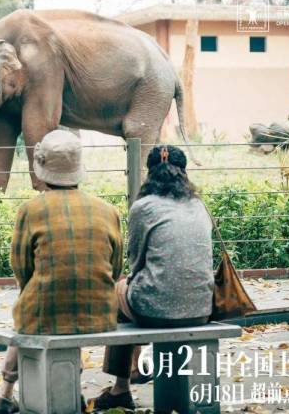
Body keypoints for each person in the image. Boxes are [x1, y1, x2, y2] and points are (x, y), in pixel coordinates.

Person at [0, 130, 124, 414]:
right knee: (66, 305)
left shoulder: (30, 209)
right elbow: (116, 268)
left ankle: (5, 392)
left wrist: (36, 287)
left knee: (34, 308)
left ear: (42, 170)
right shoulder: (107, 210)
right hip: (100, 312)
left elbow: (21, 268)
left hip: (44, 311)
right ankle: (70, 388)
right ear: (78, 169)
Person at [90, 145, 214, 411]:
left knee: (117, 292)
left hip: (154, 309)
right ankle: (136, 371)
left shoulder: (143, 206)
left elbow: (135, 263)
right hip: (202, 307)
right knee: (140, 292)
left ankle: (121, 387)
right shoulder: (198, 205)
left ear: (149, 173)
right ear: (184, 172)